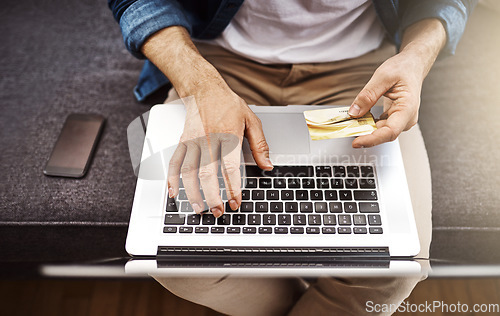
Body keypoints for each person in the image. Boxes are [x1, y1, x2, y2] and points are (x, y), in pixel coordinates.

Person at [109, 1, 477, 315]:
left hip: (362, 74)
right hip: (214, 65)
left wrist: (415, 58)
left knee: (396, 267)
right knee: (175, 258)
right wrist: (199, 84)